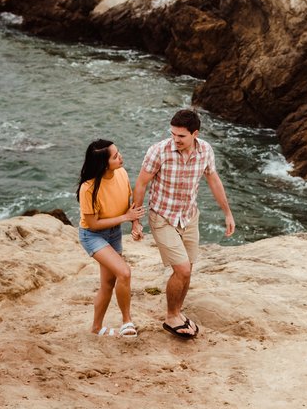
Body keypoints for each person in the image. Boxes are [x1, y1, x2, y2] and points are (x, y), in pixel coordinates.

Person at [132, 109, 235, 339]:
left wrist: (227, 213)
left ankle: (177, 313)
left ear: (195, 134)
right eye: (173, 134)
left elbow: (214, 180)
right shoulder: (159, 151)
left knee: (187, 271)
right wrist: (136, 221)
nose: (175, 140)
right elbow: (140, 185)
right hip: (163, 216)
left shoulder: (205, 150)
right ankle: (170, 317)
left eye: (181, 136)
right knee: (182, 269)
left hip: (189, 216)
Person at [76, 139, 146, 337]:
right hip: (92, 236)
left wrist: (135, 225)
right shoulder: (88, 188)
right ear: (103, 164)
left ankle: (96, 328)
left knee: (108, 283)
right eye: (115, 156)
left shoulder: (121, 173)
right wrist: (126, 218)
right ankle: (127, 322)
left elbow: (129, 207)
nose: (120, 157)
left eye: (118, 152)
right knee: (124, 272)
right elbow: (93, 224)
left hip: (114, 232)